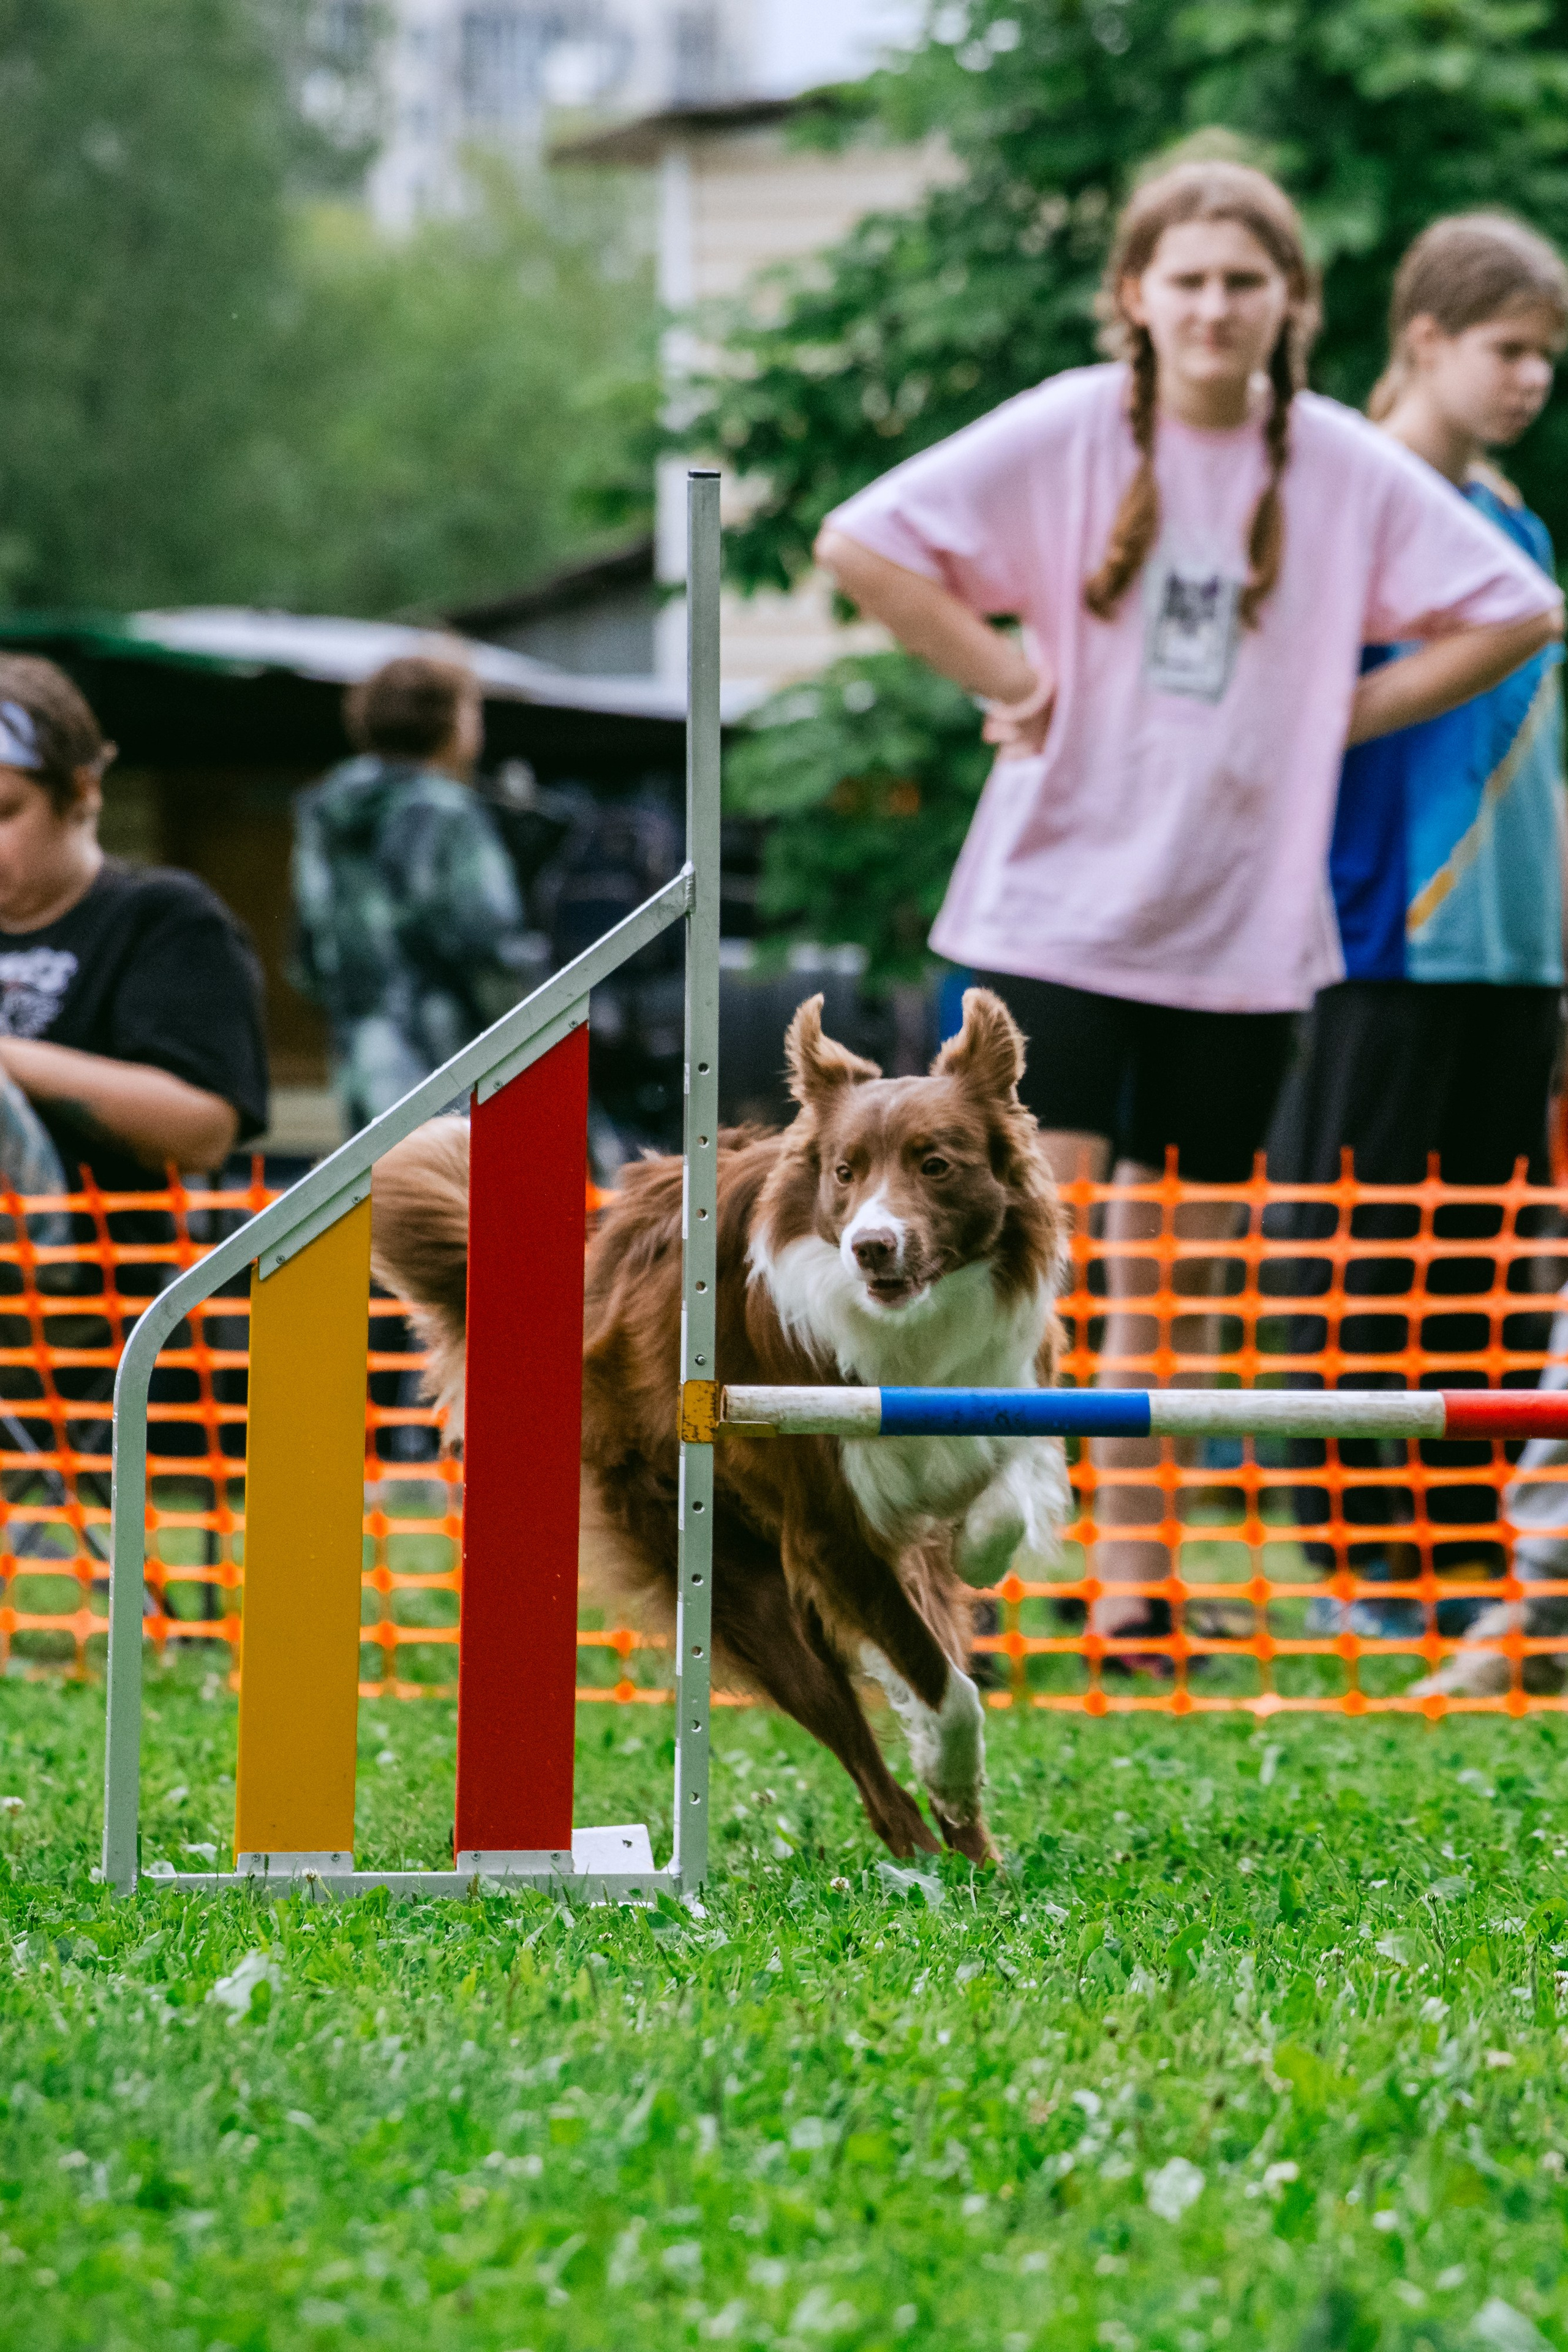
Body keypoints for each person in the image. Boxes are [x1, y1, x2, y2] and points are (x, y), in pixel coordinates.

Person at [813, 159, 1562, 1662]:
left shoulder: (1339, 461)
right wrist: (1008, 675)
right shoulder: (1068, 427)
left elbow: (1516, 609)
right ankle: (948, 1584)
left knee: (1172, 1295)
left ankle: (1133, 1597)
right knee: (1007, 1277)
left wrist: (1335, 718)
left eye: (1244, 281)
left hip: (1238, 941)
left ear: (1290, 302)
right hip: (1049, 925)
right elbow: (860, 540)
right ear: (1135, 296)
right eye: (1189, 279)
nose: (1215, 307)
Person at [1264, 214, 1568, 1639]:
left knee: (1479, 1264)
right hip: (1378, 934)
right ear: (1424, 339)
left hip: (1513, 950)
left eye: (1545, 357)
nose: (1529, 380)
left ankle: (1454, 1552)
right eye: (1506, 350)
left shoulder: (1512, 521)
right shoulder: (1347, 498)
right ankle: (1358, 1559)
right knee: (1358, 1257)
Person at [0, 656, 268, 1199]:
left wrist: (11, 1061)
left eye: (4, 812)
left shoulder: (162, 918)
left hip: (107, 1247)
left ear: (83, 791)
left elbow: (203, 1134)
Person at [291, 654, 533, 1131]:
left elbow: (307, 963)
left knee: (386, 1181)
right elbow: (492, 951)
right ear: (449, 721)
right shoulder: (449, 812)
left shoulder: (324, 813)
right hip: (450, 1070)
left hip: (361, 1070)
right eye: (473, 709)